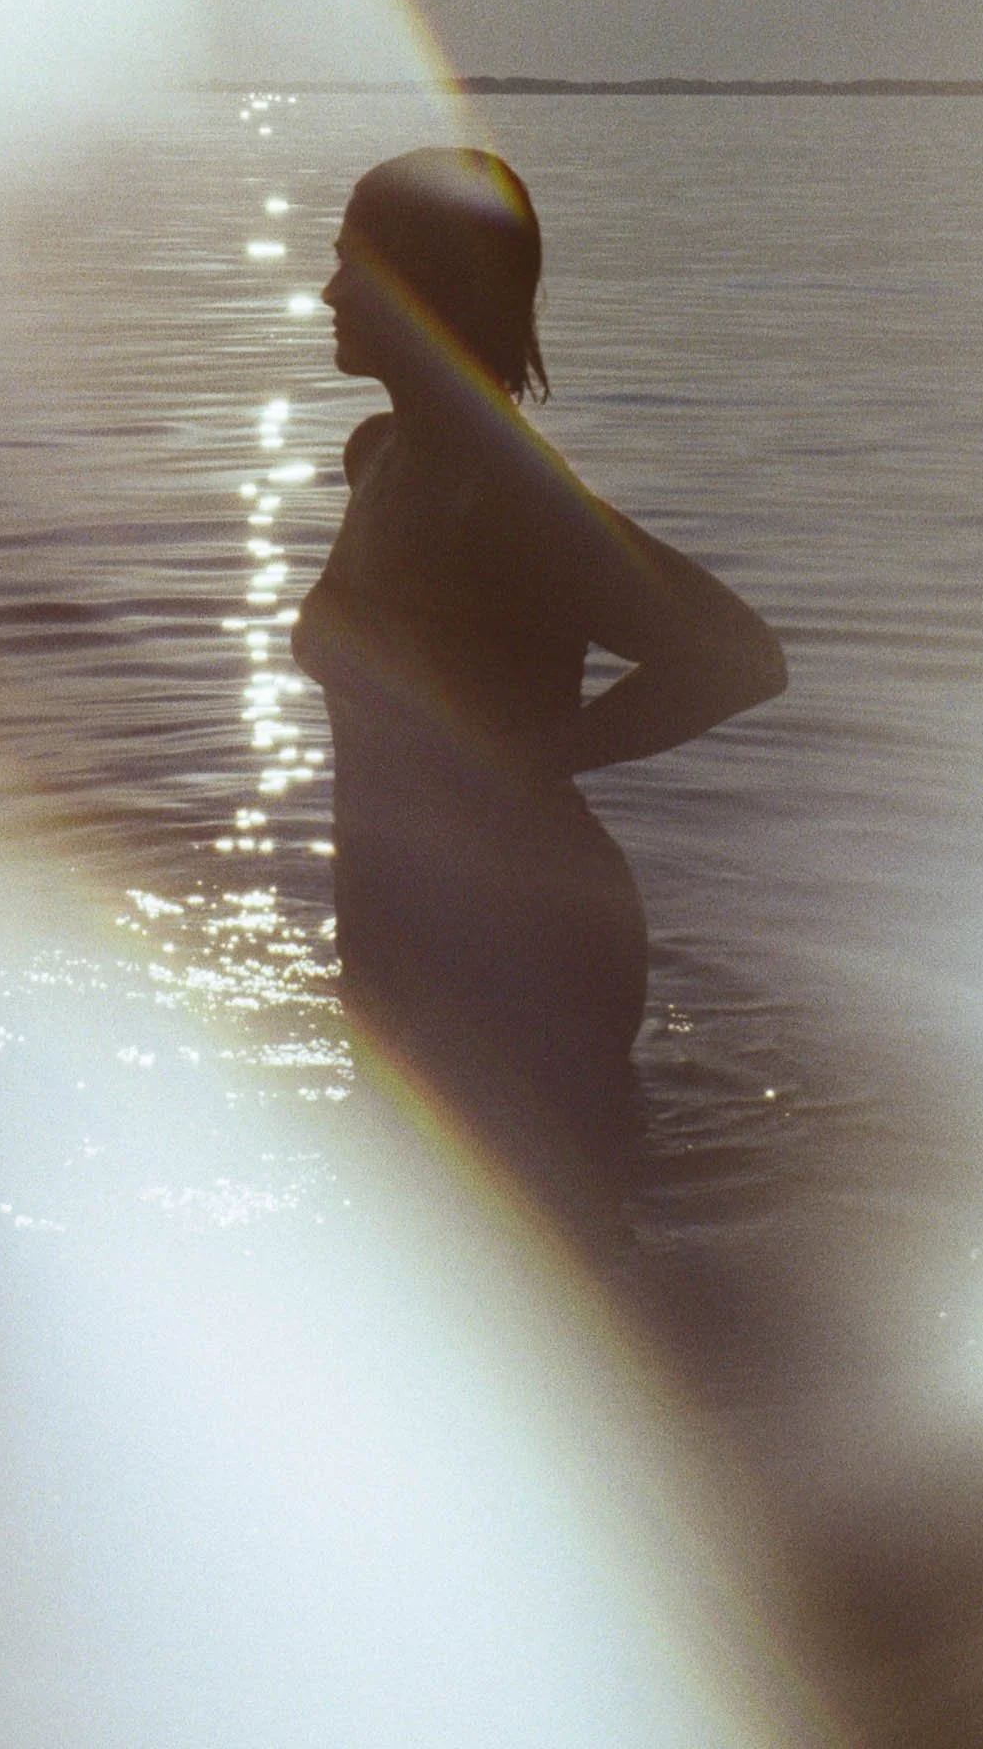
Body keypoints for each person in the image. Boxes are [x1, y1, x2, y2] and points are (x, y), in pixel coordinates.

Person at [292, 147, 785, 1245]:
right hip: (411, 934)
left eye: (352, 265)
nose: (326, 292)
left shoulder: (501, 491)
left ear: (425, 283)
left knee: (535, 1276)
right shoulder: (381, 456)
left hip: (517, 947)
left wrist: (525, 758)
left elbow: (736, 654)